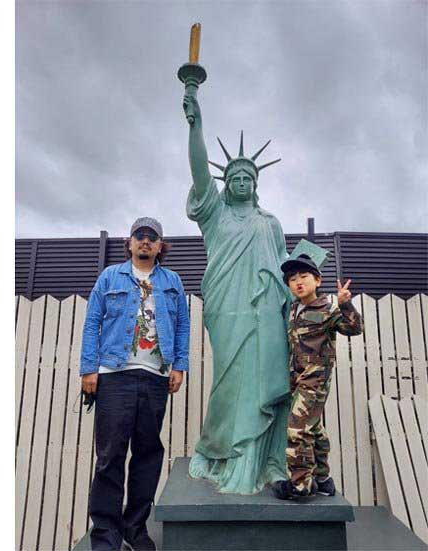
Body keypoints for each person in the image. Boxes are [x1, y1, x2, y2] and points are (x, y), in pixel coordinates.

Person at [183, 91, 291, 494]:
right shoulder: (215, 213)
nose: (242, 181)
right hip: (228, 307)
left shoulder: (270, 222)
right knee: (228, 382)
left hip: (266, 310)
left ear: (256, 184)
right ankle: (215, 451)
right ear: (225, 184)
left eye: (248, 178)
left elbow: (285, 268)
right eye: (234, 177)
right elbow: (198, 170)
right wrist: (196, 124)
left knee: (265, 383)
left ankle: (262, 462)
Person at [80, 217, 189, 551]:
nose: (145, 241)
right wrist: (89, 369)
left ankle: (135, 527)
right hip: (114, 374)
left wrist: (180, 366)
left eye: (152, 237)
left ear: (160, 246)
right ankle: (105, 533)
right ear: (129, 243)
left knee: (148, 453)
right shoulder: (110, 276)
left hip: (156, 375)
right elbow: (92, 322)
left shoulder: (172, 281)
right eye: (139, 236)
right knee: (110, 454)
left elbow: (183, 324)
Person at [272, 255, 363, 499]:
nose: (298, 282)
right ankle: (323, 480)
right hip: (297, 379)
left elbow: (353, 329)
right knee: (314, 429)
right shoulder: (293, 308)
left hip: (316, 380)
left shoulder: (327, 309)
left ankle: (300, 485)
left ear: (317, 280)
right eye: (292, 279)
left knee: (296, 429)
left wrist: (345, 304)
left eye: (303, 277)